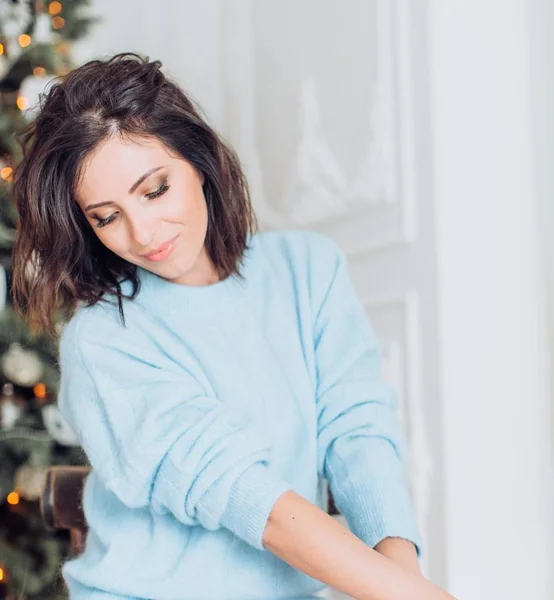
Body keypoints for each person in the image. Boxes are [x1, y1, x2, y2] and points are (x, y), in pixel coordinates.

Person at [11, 53, 455, 600]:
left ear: (197, 160)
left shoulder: (307, 271)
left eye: (154, 190)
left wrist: (403, 581)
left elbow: (356, 429)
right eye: (107, 216)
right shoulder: (102, 340)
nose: (143, 232)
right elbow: (245, 495)